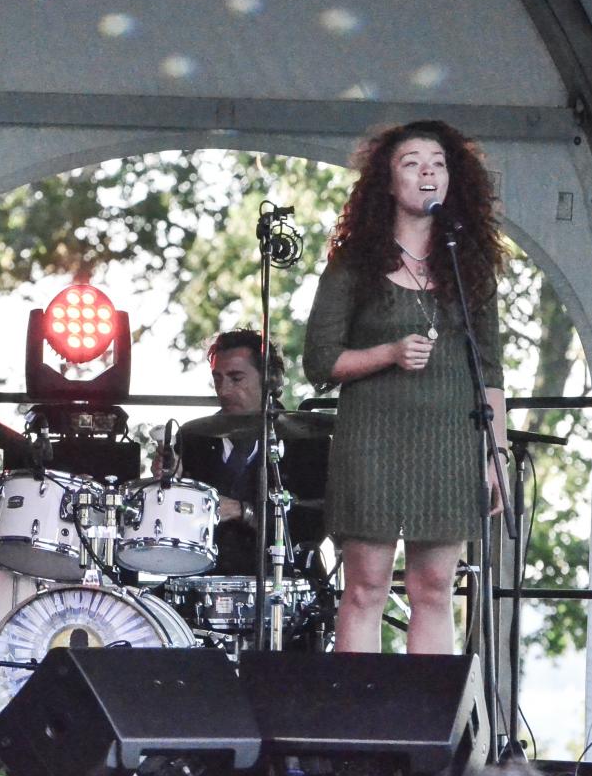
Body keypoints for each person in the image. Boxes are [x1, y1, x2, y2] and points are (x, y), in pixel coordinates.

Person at [303, 120, 508, 655]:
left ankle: (425, 729)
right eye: (412, 162)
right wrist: (388, 354)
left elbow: (490, 370)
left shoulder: (469, 268)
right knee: (366, 588)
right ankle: (356, 723)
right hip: (372, 441)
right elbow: (319, 362)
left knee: (435, 590)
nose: (427, 173)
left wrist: (496, 453)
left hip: (449, 444)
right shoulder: (353, 267)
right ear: (387, 183)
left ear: (451, 180)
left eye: (437, 164)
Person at [161, 328, 327, 574]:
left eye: (236, 378)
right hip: (201, 580)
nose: (224, 390)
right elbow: (171, 525)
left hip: (285, 579)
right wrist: (167, 486)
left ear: (270, 379)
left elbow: (312, 526)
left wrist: (244, 512)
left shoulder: (308, 441)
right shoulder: (192, 438)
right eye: (218, 379)